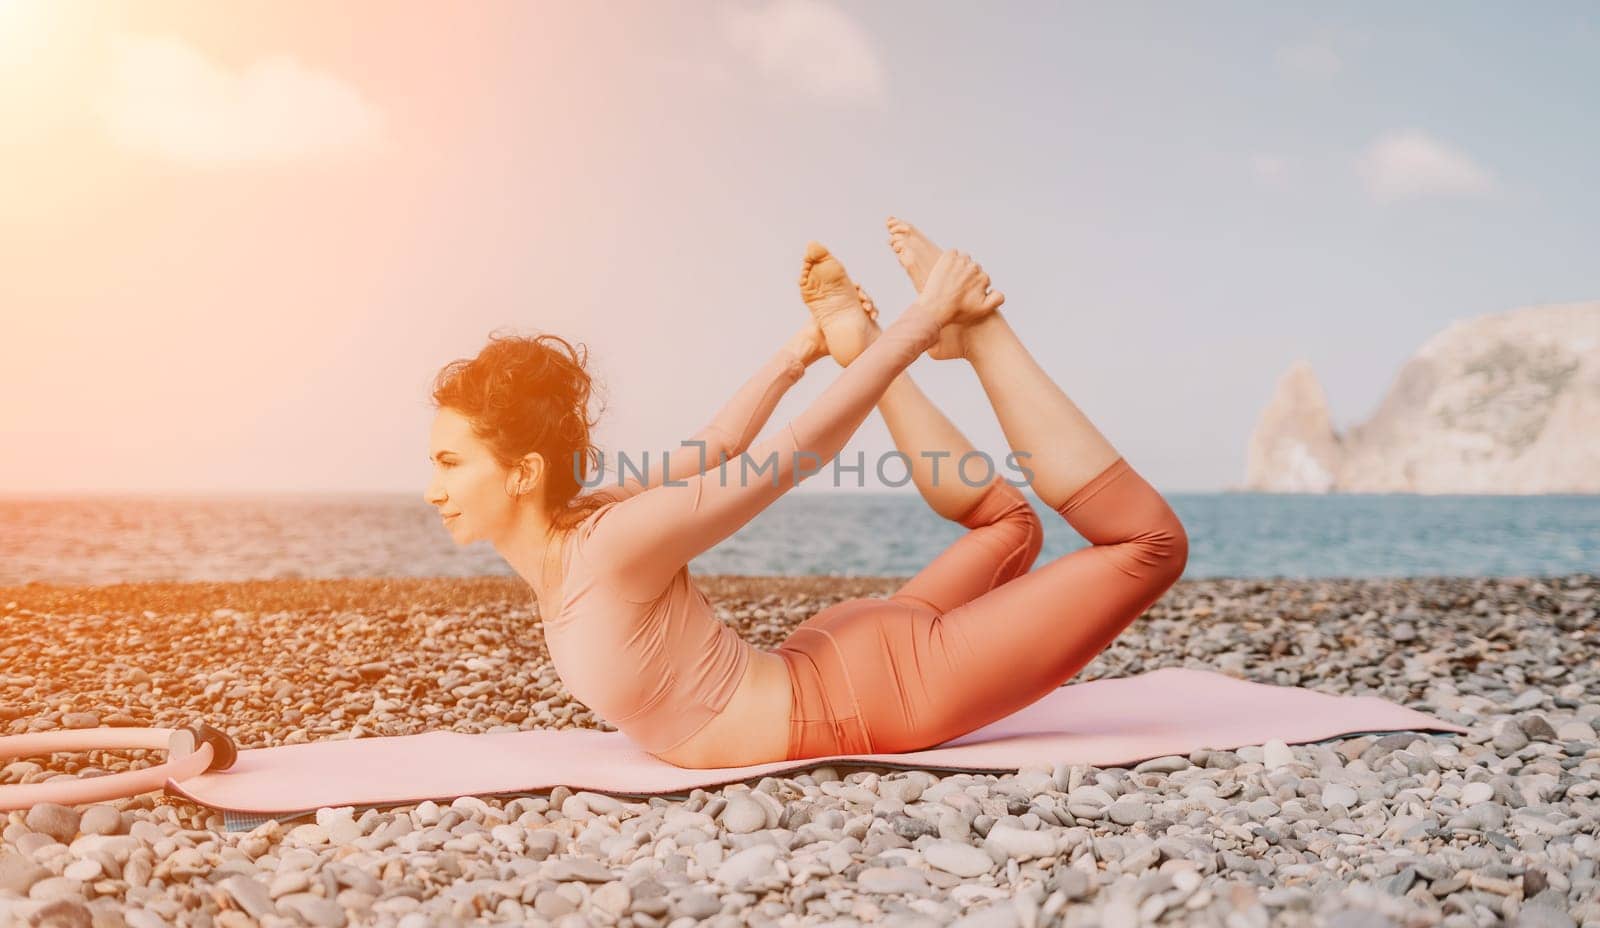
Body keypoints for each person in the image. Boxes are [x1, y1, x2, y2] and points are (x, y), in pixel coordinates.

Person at [424, 218, 1188, 769]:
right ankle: (877, 338)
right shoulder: (591, 522)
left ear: (523, 472)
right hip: (839, 668)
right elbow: (713, 451)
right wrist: (803, 350)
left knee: (1150, 545)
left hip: (874, 694)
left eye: (451, 464)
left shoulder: (609, 545)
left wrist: (923, 322)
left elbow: (797, 452)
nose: (435, 490)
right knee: (1007, 525)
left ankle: (975, 333)